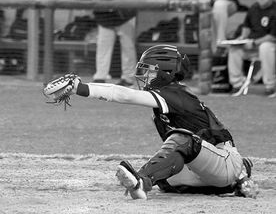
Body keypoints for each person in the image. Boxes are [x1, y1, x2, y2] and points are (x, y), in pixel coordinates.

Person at [46, 44, 257, 200]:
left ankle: (141, 182)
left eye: (150, 70)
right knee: (165, 177)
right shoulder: (168, 96)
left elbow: (124, 95)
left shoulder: (174, 93)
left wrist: (80, 88)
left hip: (225, 161)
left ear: (166, 73)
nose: (144, 75)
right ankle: (236, 181)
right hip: (205, 167)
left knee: (181, 139)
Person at [70, 0, 137, 86]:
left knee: (127, 48)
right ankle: (100, 77)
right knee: (103, 47)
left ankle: (128, 78)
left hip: (123, 16)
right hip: (105, 19)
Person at [227, 0, 276, 97]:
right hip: (252, 45)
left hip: (269, 45)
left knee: (266, 47)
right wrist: (242, 38)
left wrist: (254, 42)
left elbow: (273, 36)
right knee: (235, 47)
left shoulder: (274, 10)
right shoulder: (253, 8)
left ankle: (270, 86)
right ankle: (237, 84)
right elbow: (246, 26)